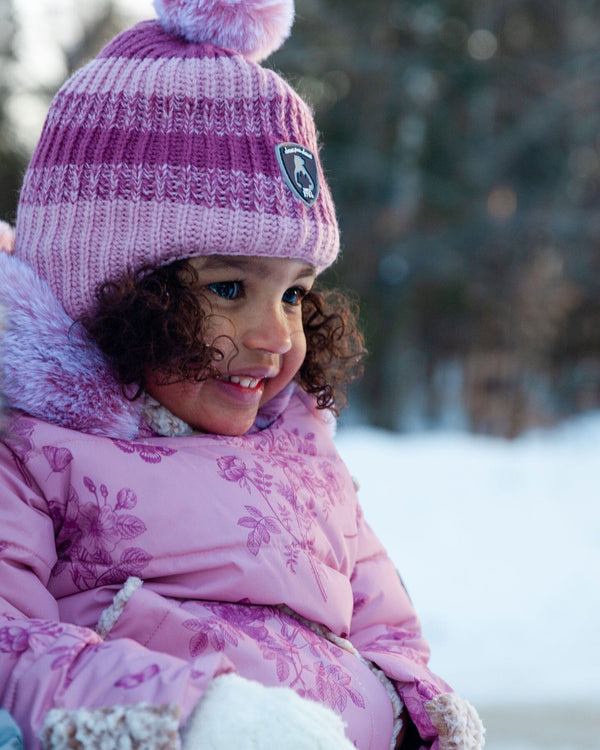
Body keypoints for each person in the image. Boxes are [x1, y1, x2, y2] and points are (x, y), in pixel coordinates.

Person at [0, 1, 485, 748]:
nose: (276, 334)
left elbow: (387, 630)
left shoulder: (301, 451)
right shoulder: (32, 450)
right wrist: (196, 718)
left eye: (293, 292)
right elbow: (10, 647)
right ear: (107, 291)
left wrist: (413, 712)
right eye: (229, 289)